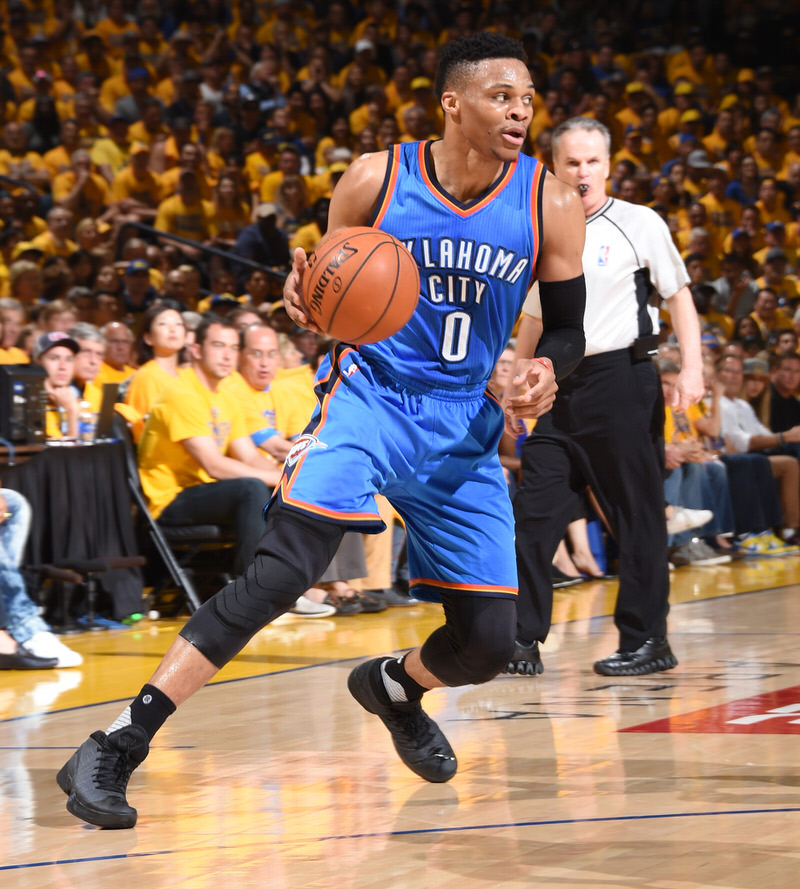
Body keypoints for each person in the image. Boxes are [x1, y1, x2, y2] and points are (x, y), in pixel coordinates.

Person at [57, 33, 587, 829]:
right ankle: (116, 744)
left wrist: (547, 370)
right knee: (281, 572)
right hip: (370, 399)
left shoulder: (548, 200)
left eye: (527, 99)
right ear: (453, 102)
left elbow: (570, 331)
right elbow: (321, 285)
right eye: (502, 95)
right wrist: (301, 298)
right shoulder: (377, 177)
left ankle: (394, 686)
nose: (520, 110)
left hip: (464, 427)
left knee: (487, 641)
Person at [508, 116, 704, 679]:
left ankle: (648, 640)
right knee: (532, 516)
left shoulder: (639, 224)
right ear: (553, 168)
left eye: (592, 161)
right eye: (571, 162)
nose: (583, 171)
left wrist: (691, 368)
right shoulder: (544, 233)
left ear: (609, 165)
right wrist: (518, 384)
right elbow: (533, 318)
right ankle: (522, 639)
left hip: (623, 383)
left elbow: (679, 296)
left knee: (636, 516)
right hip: (555, 390)